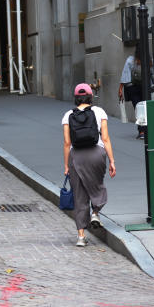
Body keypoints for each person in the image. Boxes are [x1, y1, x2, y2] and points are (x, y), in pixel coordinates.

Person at [62, 83, 117, 247]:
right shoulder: (99, 112)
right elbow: (105, 138)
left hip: (76, 156)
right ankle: (95, 212)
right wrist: (112, 160)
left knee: (79, 195)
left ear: (75, 98)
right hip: (96, 154)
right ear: (91, 96)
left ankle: (80, 236)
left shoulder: (67, 115)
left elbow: (66, 143)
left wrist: (66, 165)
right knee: (97, 186)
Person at [118, 49, 145, 139]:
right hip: (145, 87)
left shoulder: (130, 60)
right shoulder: (149, 59)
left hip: (132, 87)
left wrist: (120, 88)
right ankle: (146, 129)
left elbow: (125, 75)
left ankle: (141, 131)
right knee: (146, 107)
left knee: (138, 108)